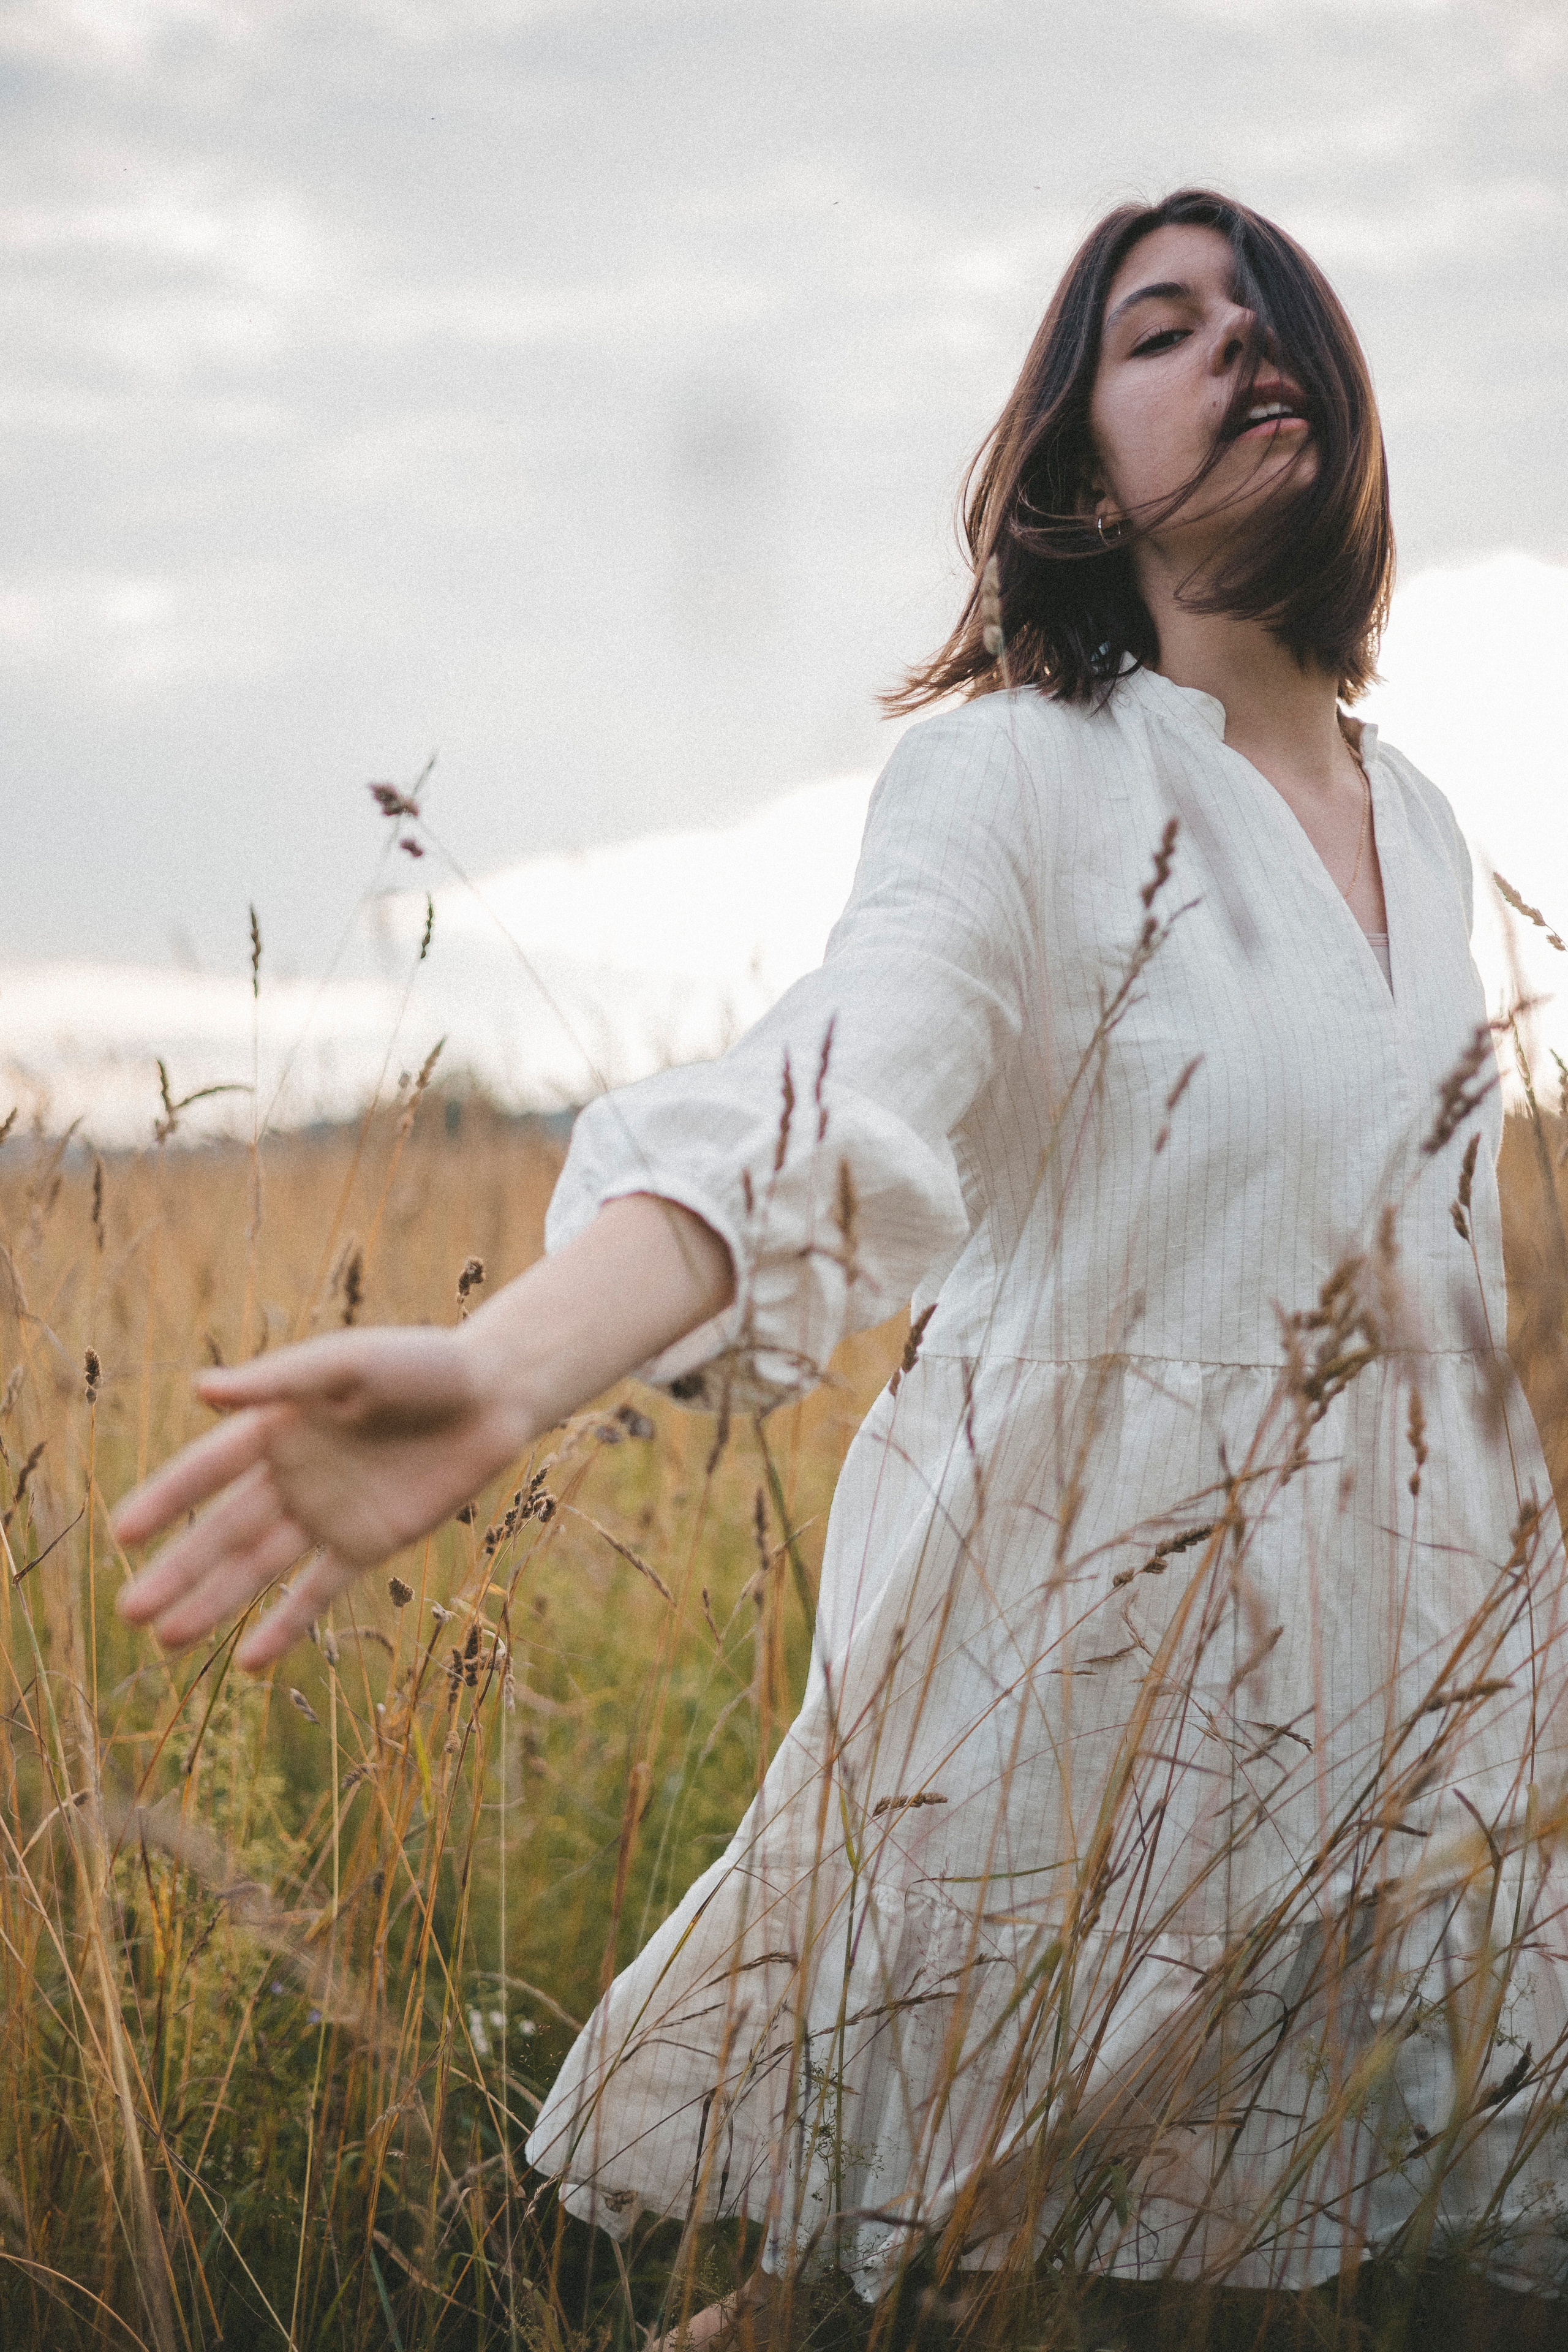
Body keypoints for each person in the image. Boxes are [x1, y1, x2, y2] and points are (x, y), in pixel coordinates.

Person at [114, 189, 1568, 2341]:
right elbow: (835, 1093)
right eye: (1160, 330)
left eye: (1271, 318)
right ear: (1080, 471)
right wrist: (519, 1365)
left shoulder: (1426, 818)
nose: (1238, 347)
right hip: (1103, 1670)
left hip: (1422, 1668)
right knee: (965, 2291)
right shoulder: (1017, 774)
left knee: (1373, 2269)